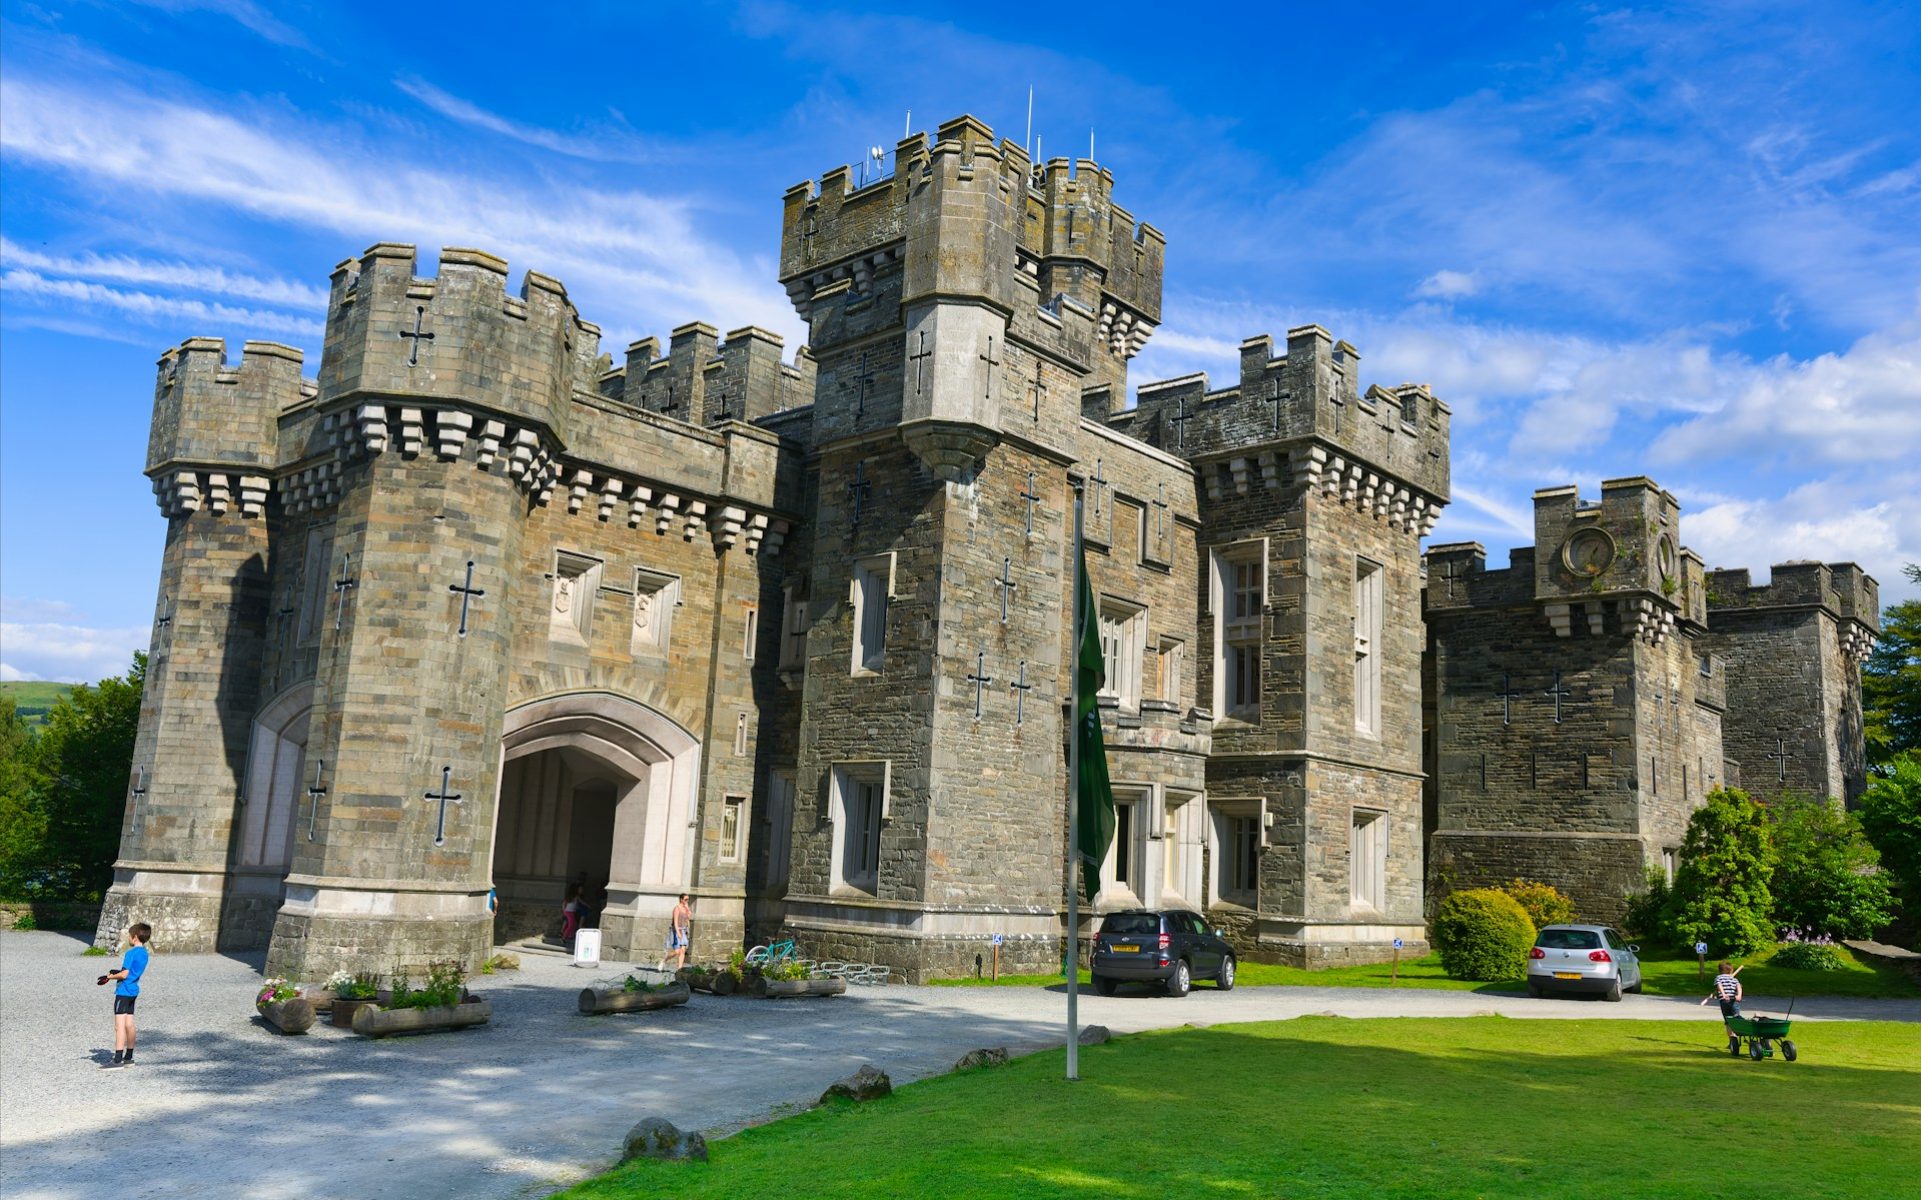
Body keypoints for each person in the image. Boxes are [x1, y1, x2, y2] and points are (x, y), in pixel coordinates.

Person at [97, 922, 152, 1069]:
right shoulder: (145, 954)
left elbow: (126, 974)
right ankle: (129, 1057)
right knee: (130, 1024)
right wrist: (117, 973)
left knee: (119, 1026)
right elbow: (133, 972)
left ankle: (117, 1060)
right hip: (133, 990)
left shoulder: (131, 953)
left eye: (129, 935)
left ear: (134, 937)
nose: (128, 937)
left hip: (123, 991)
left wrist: (110, 977)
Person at [1701, 960, 1743, 1038]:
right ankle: (1736, 1034)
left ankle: (1732, 1038)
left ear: (1720, 970)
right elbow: (1739, 987)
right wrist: (1739, 995)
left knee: (1728, 1020)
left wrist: (1723, 994)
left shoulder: (1719, 977)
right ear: (1730, 970)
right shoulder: (1734, 979)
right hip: (1734, 1000)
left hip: (1724, 1001)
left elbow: (1719, 985)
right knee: (1736, 1018)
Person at [663, 893, 692, 970]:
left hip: (684, 930)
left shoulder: (685, 908)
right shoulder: (677, 908)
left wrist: (688, 909)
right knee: (677, 951)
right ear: (681, 899)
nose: (687, 901)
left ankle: (680, 969)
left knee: (683, 950)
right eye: (685, 899)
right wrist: (678, 932)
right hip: (676, 930)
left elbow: (688, 917)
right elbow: (675, 922)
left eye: (688, 899)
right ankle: (665, 959)